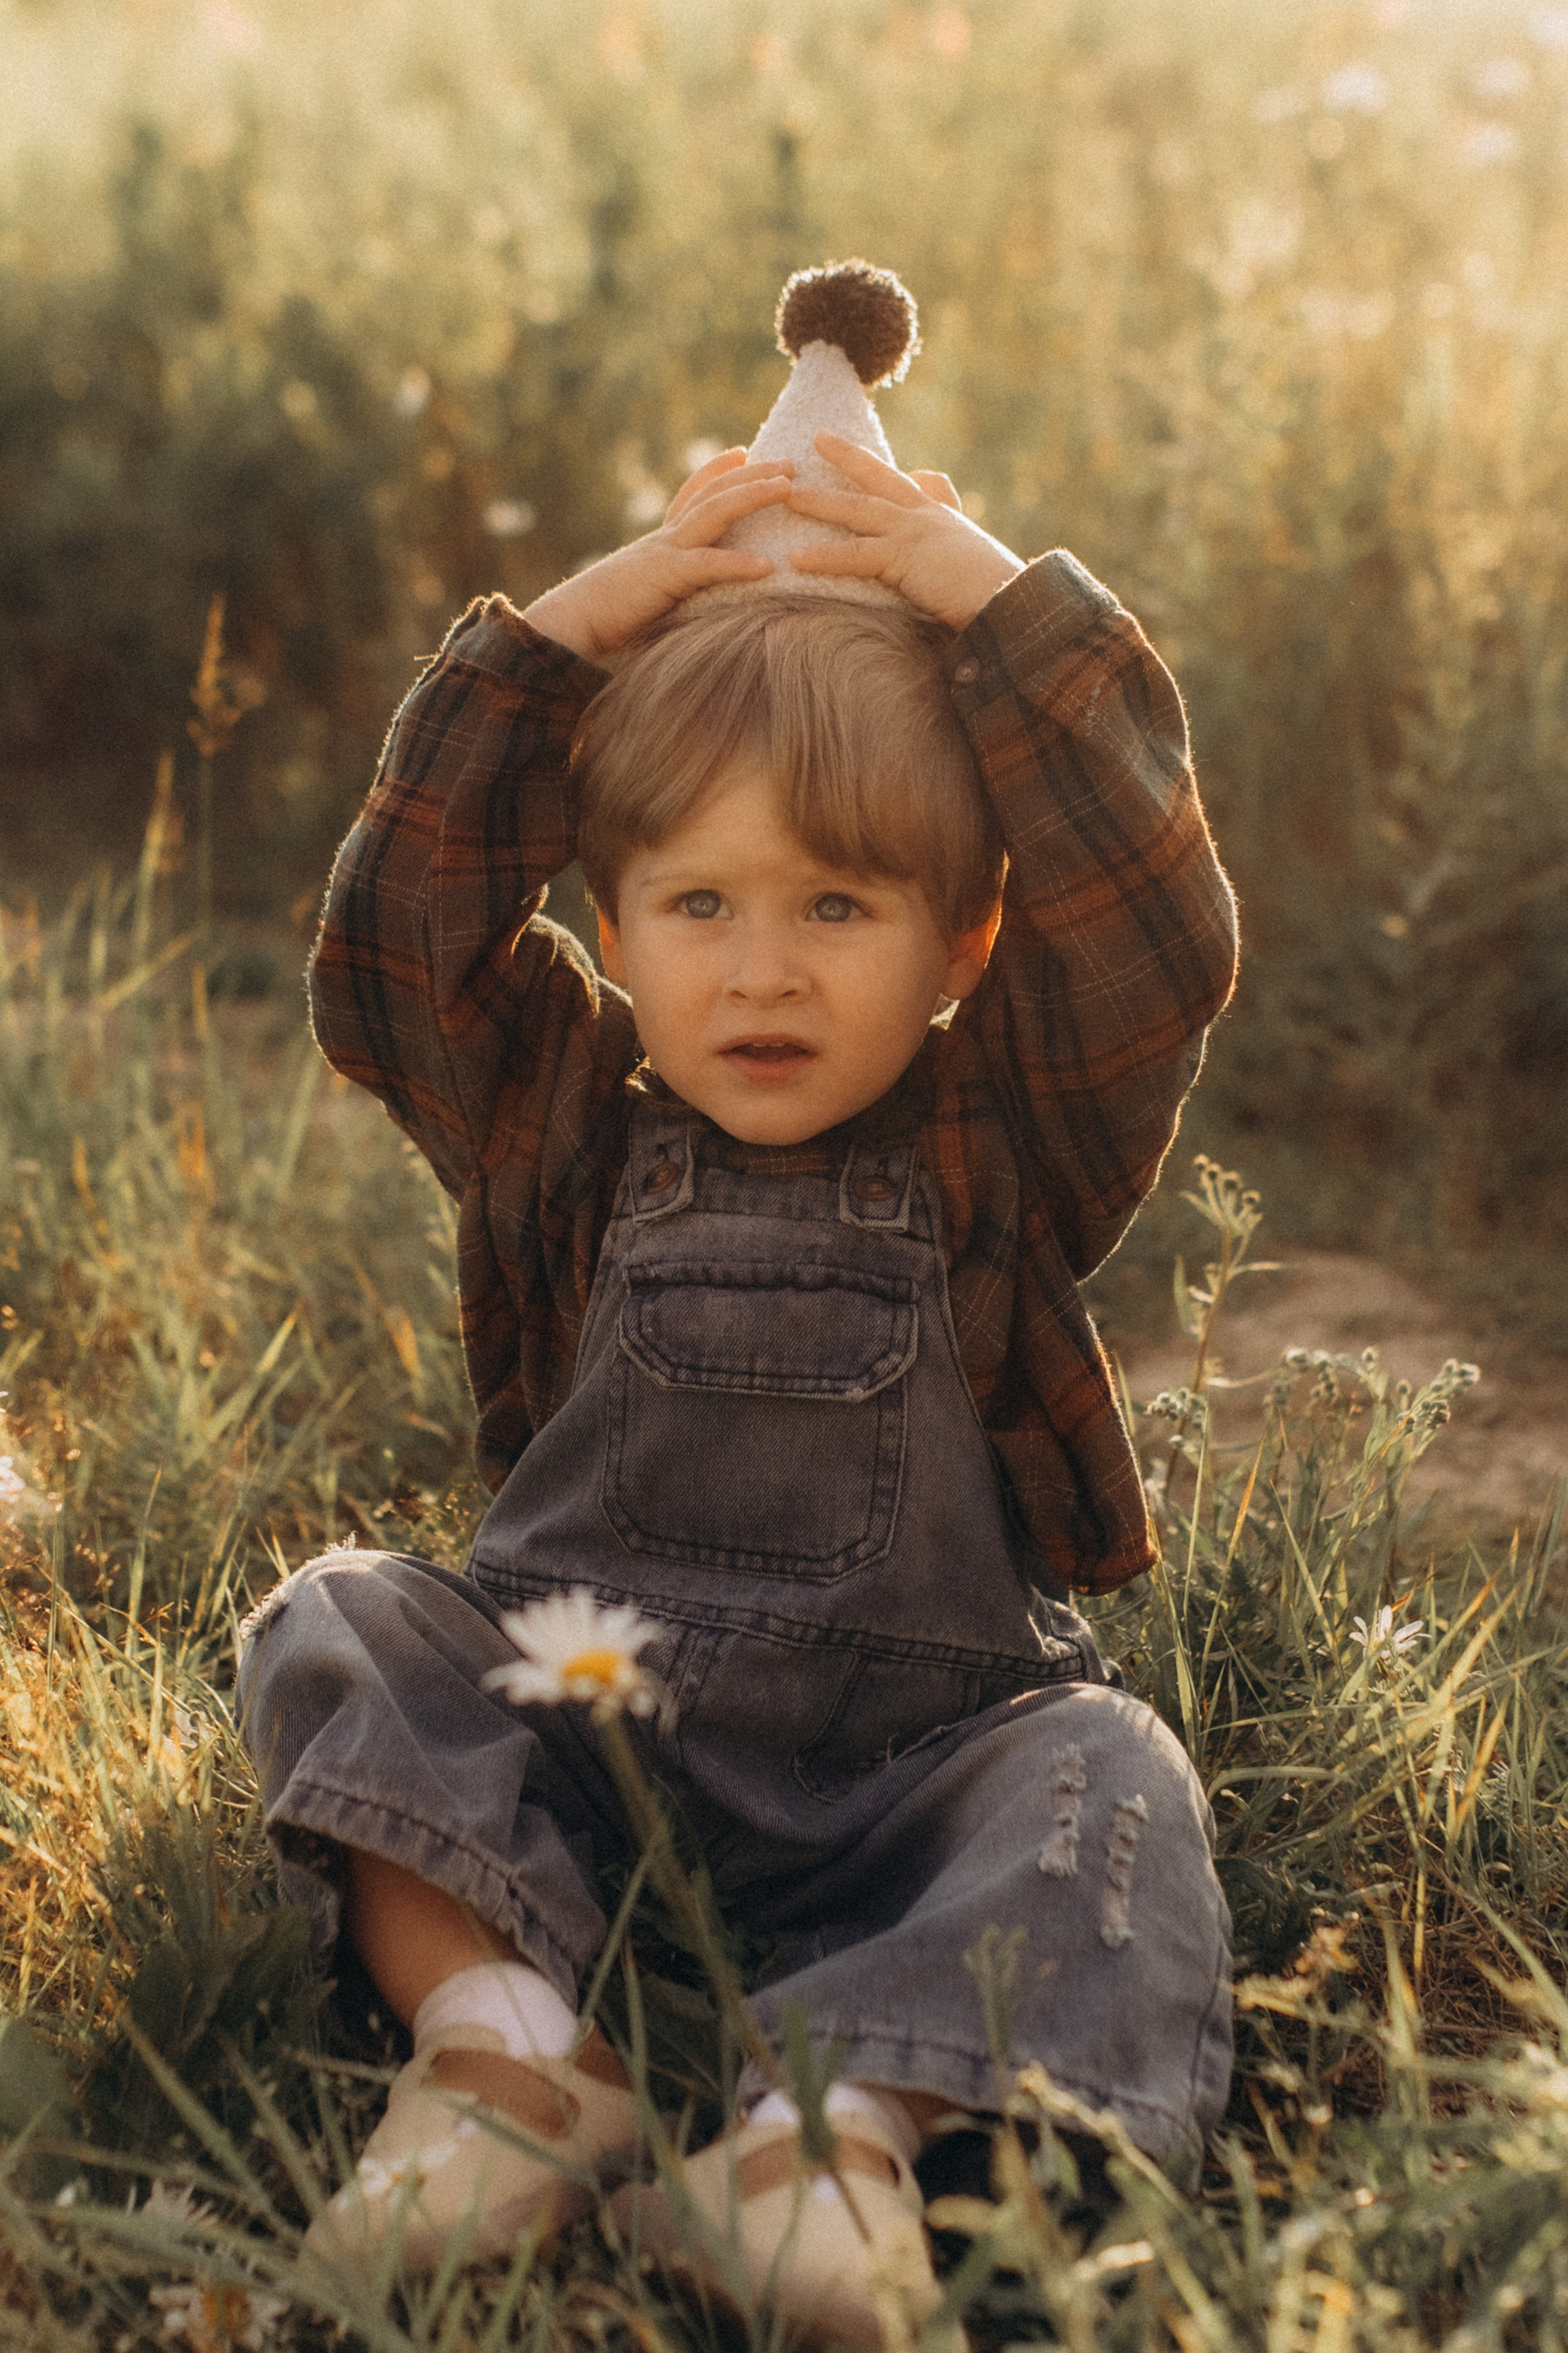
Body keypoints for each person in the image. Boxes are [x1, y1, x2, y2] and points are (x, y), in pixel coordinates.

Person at [238, 263, 1238, 2341]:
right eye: (697, 904)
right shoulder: (562, 1107)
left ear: (965, 939)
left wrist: (983, 593)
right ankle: (511, 2051)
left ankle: (823, 2138)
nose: (761, 971)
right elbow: (386, 943)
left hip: (912, 1777)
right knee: (340, 1613)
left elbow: (1150, 920)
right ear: (610, 922)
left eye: (837, 905)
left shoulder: (1003, 1137)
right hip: (580, 1732)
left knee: (1114, 1770)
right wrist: (574, 624)